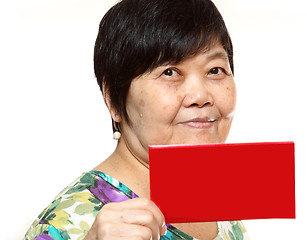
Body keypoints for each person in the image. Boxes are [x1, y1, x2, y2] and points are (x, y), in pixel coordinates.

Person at [24, 0, 249, 239]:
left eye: (215, 70)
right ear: (113, 100)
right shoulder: (65, 225)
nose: (200, 96)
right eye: (169, 72)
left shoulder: (214, 188)